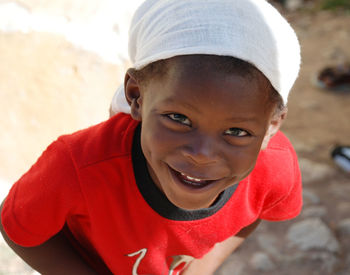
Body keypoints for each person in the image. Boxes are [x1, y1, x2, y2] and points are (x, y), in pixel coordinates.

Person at [0, 0, 302, 274]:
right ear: (136, 96)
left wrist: (200, 269)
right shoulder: (77, 166)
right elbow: (18, 227)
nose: (202, 153)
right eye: (179, 119)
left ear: (273, 125)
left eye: (236, 132)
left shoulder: (274, 170)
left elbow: (256, 211)